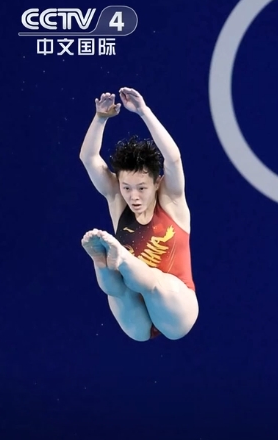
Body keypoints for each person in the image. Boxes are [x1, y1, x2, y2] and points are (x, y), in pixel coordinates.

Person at [79, 87, 199, 341]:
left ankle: (120, 259)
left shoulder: (171, 200)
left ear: (157, 183)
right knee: (116, 290)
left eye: (142, 188)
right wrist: (99, 119)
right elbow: (89, 158)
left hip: (177, 309)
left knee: (153, 280)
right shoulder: (117, 199)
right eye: (126, 188)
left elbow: (174, 159)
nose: (133, 196)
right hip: (137, 321)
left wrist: (144, 112)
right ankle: (102, 263)